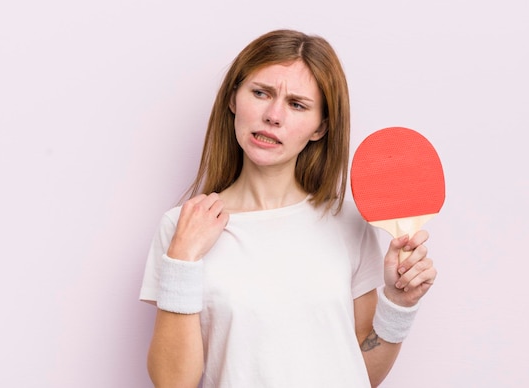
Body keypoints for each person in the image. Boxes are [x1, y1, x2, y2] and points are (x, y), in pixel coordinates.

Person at [139, 29, 437, 388]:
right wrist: (183, 258)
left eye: (297, 104)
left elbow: (363, 372)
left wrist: (398, 304)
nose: (273, 116)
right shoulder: (182, 228)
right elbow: (173, 383)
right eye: (261, 93)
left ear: (320, 127)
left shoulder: (345, 221)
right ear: (233, 98)